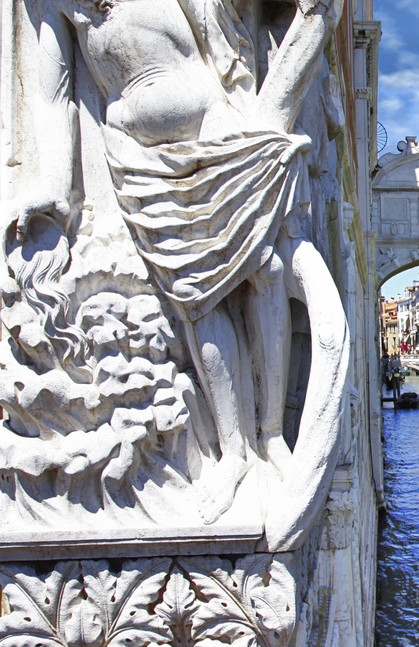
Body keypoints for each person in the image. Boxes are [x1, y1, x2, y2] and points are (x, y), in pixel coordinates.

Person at [10, 0, 348, 548]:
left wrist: (268, 114)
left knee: (261, 266)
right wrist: (54, 181)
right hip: (140, 161)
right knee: (195, 299)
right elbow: (51, 96)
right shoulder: (58, 10)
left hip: (217, 128)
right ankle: (233, 452)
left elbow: (242, 30)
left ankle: (269, 438)